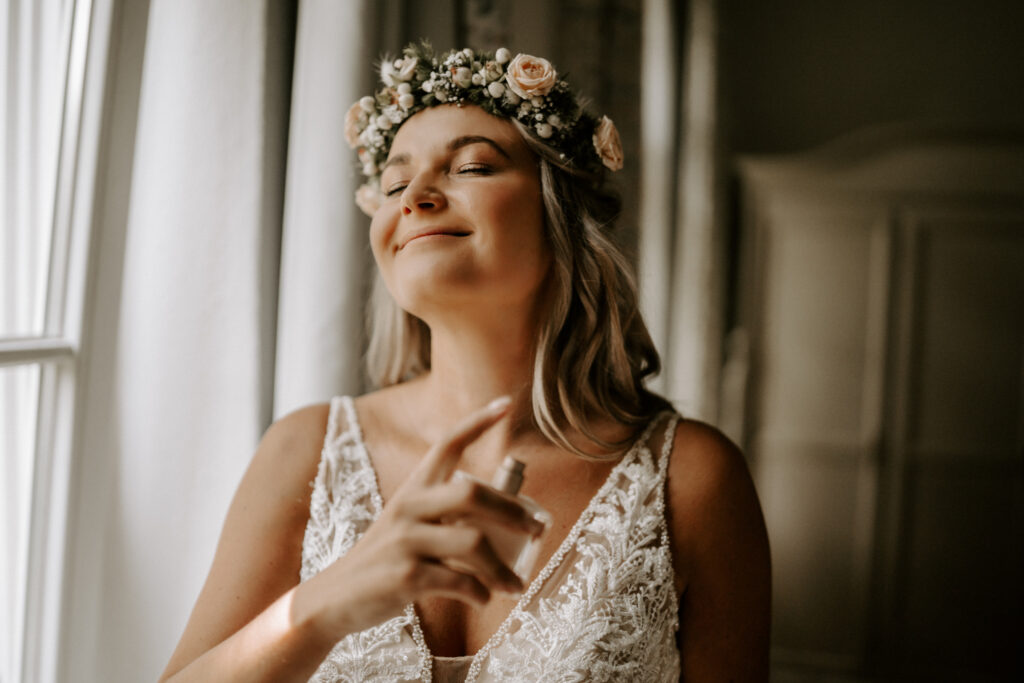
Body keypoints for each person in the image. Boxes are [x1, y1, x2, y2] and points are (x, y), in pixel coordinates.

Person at [159, 43, 770, 682]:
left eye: (471, 167)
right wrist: (329, 601)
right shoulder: (305, 451)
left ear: (559, 214)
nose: (415, 195)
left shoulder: (694, 479)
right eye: (394, 184)